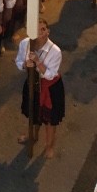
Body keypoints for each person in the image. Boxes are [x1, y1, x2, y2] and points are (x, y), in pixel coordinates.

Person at [15, 20, 64, 159]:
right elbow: (18, 61)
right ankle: (33, 135)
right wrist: (25, 65)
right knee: (34, 113)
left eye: (43, 29)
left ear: (48, 31)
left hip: (50, 88)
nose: (40, 33)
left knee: (50, 120)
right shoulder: (25, 44)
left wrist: (37, 61)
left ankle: (49, 145)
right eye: (37, 30)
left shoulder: (55, 51)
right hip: (33, 82)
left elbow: (50, 74)